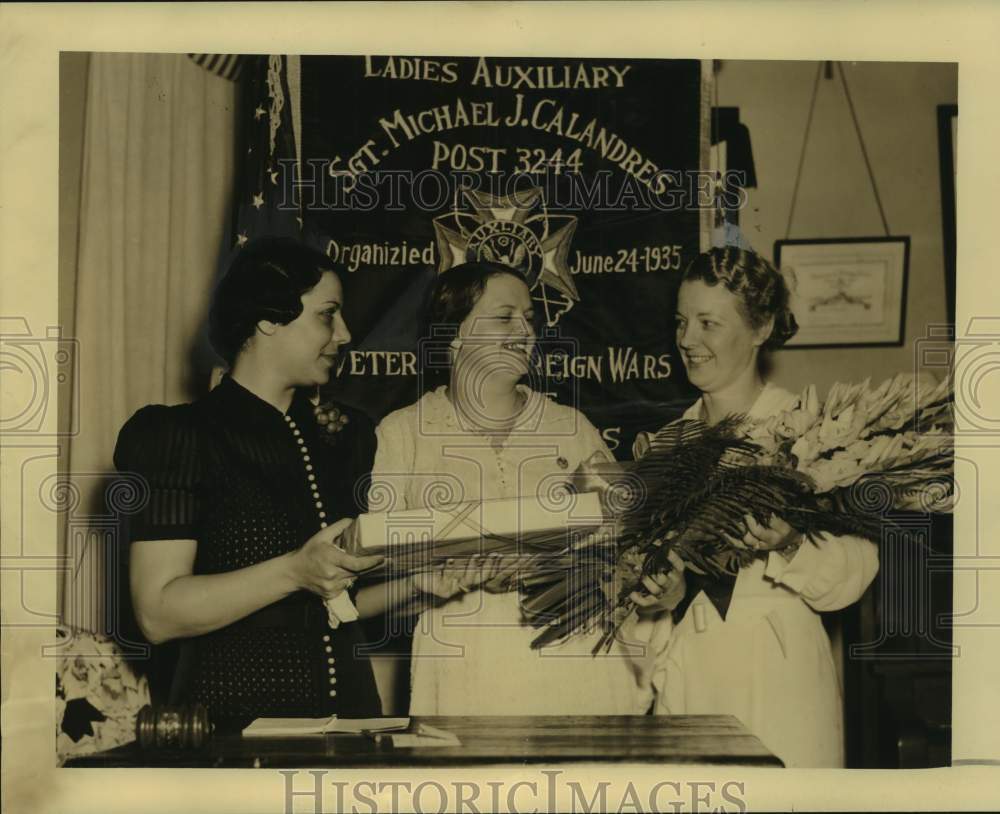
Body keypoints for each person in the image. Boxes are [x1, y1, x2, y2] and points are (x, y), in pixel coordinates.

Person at [114, 238, 468, 731]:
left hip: (352, 727)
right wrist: (295, 571)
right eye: (328, 315)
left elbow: (336, 608)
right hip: (230, 728)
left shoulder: (349, 436)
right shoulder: (177, 436)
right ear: (268, 320)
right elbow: (158, 613)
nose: (345, 333)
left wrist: (418, 586)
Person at [368, 261, 656, 715]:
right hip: (462, 659)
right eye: (505, 316)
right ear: (456, 332)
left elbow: (623, 545)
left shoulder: (569, 426)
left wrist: (557, 559)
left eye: (529, 318)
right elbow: (381, 577)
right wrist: (436, 578)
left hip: (571, 651)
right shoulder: (403, 433)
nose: (525, 330)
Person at [634, 246, 879, 768]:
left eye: (708, 323)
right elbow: (649, 594)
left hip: (778, 678)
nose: (687, 340)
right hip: (690, 676)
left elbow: (856, 571)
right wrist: (662, 595)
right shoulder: (665, 445)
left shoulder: (811, 430)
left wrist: (789, 543)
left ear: (761, 327)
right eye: (681, 322)